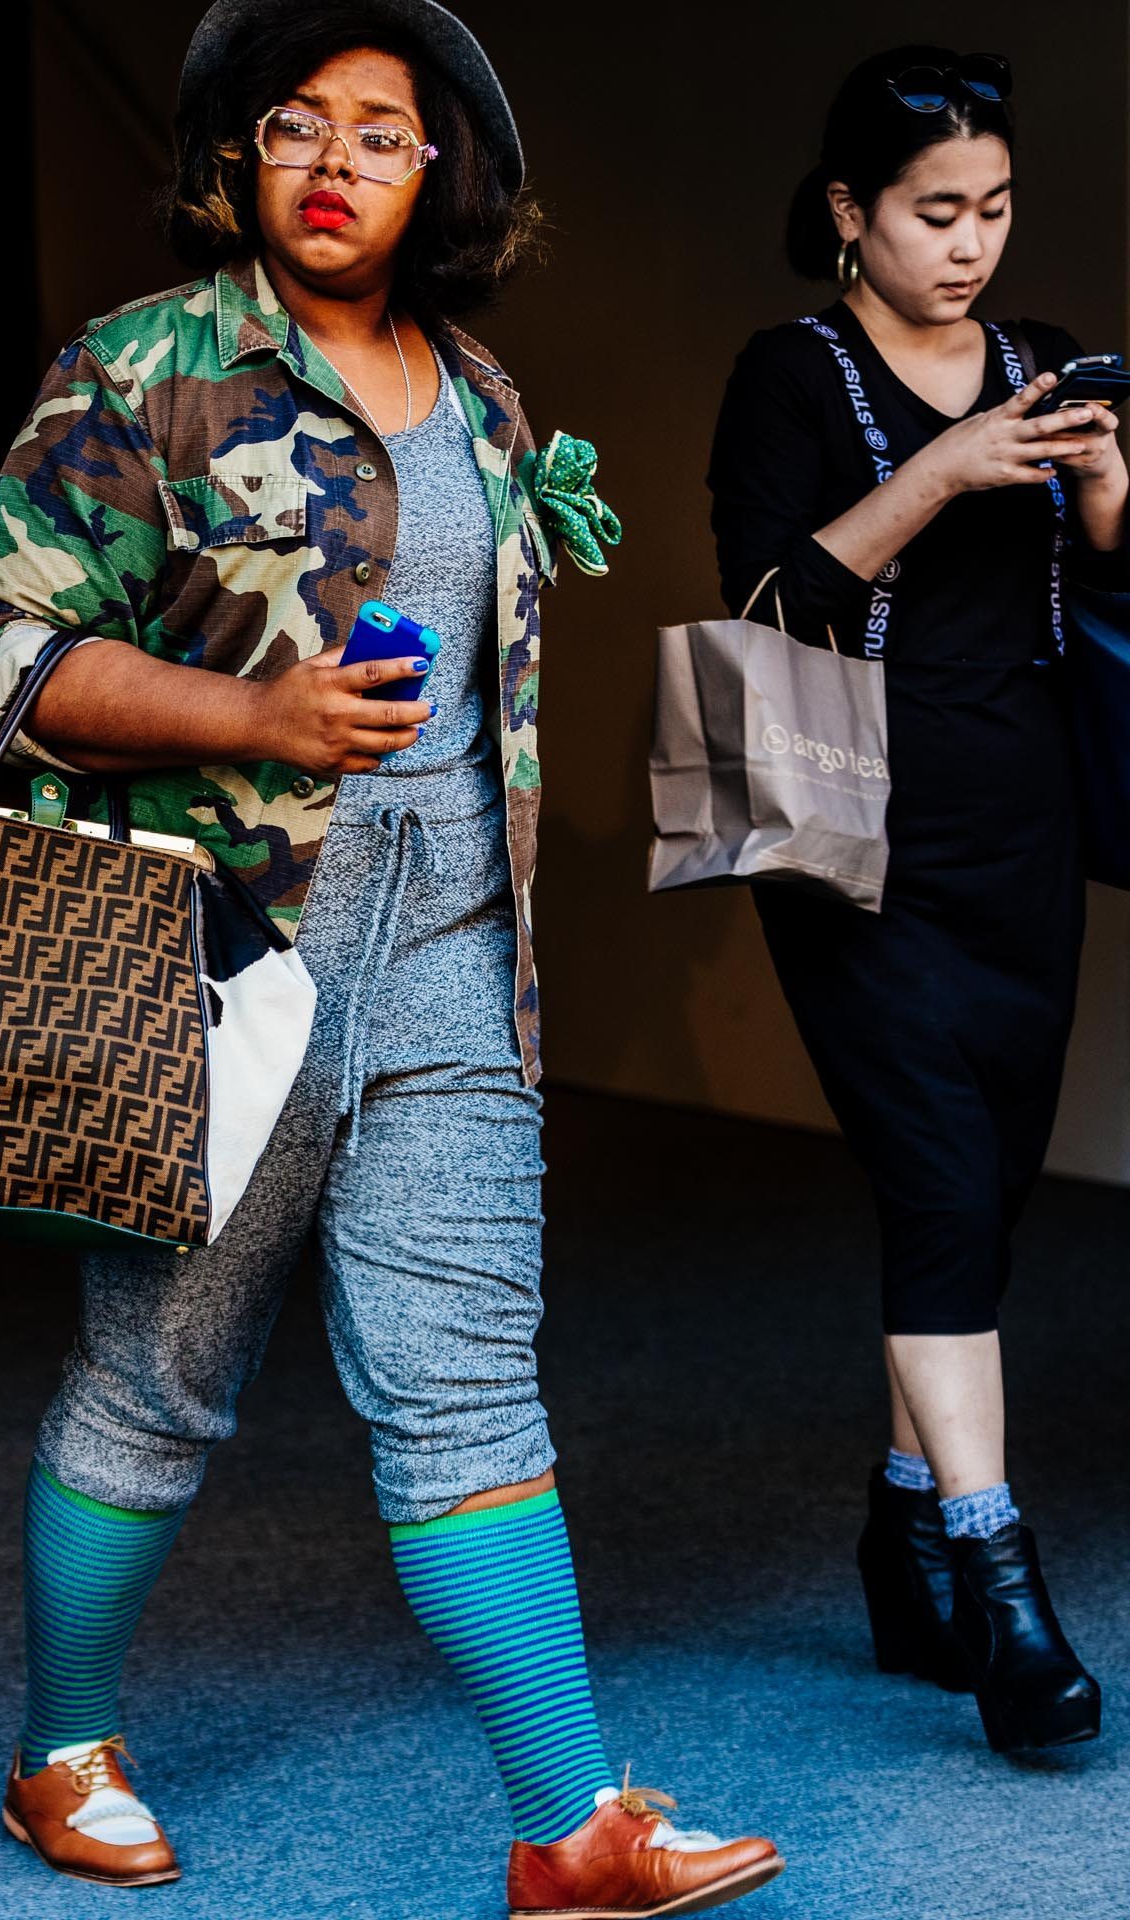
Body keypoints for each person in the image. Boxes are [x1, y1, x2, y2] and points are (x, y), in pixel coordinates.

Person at [0, 3, 782, 1910]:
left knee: (471, 1378)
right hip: (220, 954)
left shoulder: (477, 391)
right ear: (238, 156)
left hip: (459, 958)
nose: (334, 168)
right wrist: (257, 719)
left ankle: (571, 1828)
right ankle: (59, 1751)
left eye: (380, 136)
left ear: (440, 172)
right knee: (159, 1371)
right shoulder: (138, 372)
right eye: (297, 128)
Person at [707, 48, 1116, 1754]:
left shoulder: (1038, 357)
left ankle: (895, 1528)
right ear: (848, 214)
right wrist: (944, 473)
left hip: (1021, 820)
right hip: (837, 819)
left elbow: (1114, 573)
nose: (971, 246)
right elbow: (755, 599)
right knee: (940, 1176)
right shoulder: (788, 374)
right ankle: (999, 1584)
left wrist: (1101, 490)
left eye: (995, 210)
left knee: (990, 1194)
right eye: (935, 213)